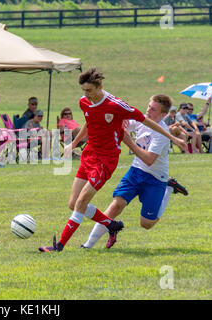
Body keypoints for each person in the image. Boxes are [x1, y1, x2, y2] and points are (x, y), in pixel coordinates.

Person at [38, 67, 186, 253]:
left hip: (105, 161)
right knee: (73, 203)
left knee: (84, 203)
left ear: (100, 86)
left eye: (90, 90)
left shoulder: (116, 105)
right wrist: (74, 144)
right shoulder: (84, 102)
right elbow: (89, 121)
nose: (86, 95)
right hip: (89, 155)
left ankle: (59, 246)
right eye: (84, 90)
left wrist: (174, 139)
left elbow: (146, 121)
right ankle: (111, 225)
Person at [81, 94, 189, 249]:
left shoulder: (162, 134)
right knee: (117, 205)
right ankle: (88, 245)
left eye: (153, 109)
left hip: (156, 178)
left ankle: (169, 188)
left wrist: (129, 142)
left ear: (163, 115)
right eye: (149, 106)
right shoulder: (141, 120)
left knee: (146, 224)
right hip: (136, 171)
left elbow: (149, 159)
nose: (148, 110)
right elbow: (124, 124)